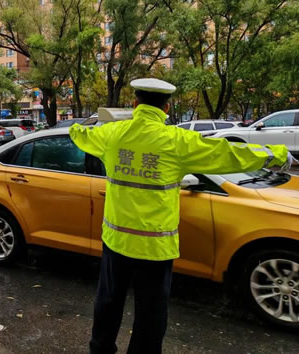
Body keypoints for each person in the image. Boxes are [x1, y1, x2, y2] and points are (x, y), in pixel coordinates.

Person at [69, 78, 296, 354]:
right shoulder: (178, 141)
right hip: (155, 248)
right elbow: (228, 153)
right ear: (166, 108)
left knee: (108, 301)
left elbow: (79, 134)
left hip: (116, 242)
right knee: (151, 314)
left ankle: (100, 349)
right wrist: (277, 154)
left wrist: (89, 123)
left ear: (135, 104)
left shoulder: (112, 134)